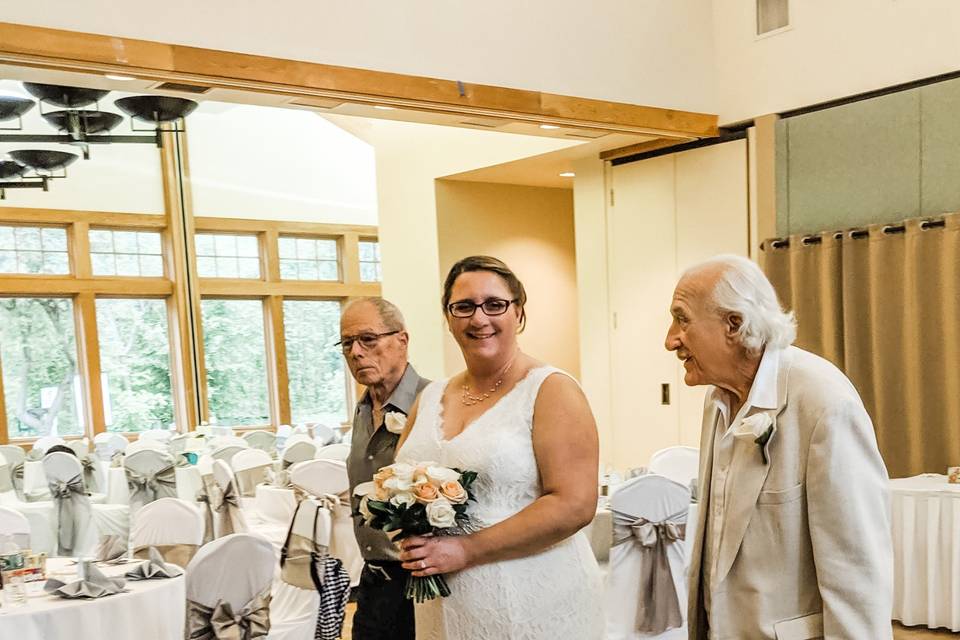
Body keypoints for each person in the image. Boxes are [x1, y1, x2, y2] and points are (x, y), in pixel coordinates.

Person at [664, 255, 893, 640]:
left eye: (682, 319)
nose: (670, 339)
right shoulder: (716, 400)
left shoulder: (824, 402)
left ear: (733, 325)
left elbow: (858, 573)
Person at [396, 255, 603, 640]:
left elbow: (575, 504)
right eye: (464, 307)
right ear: (448, 317)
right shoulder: (430, 396)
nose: (479, 319)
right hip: (442, 605)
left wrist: (464, 551)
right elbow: (399, 485)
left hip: (532, 600)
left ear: (518, 312)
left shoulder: (552, 390)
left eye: (495, 304)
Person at [342, 297, 429, 640]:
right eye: (347, 343)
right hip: (374, 578)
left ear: (402, 340)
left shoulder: (434, 402)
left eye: (368, 339)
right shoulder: (364, 408)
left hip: (421, 583)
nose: (356, 352)